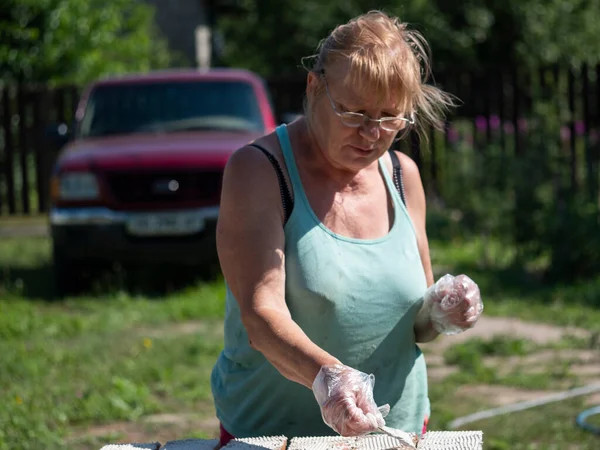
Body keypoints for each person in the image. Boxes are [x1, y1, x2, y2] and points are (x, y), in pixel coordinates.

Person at [210, 9, 483, 445]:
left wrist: (440, 309)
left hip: (395, 431)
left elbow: (415, 324)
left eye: (391, 117)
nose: (371, 134)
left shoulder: (401, 174)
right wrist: (327, 377)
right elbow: (261, 316)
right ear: (314, 87)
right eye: (354, 113)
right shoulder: (259, 170)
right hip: (272, 437)